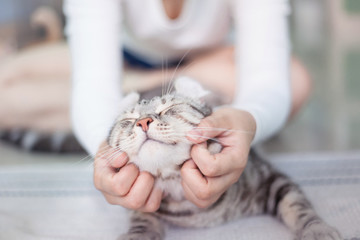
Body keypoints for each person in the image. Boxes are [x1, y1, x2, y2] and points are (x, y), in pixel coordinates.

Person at [64, 0, 311, 211]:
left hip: (214, 62)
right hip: (132, 61)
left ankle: (141, 85)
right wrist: (106, 148)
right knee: (29, 83)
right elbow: (94, 83)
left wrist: (245, 120)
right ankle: (150, 81)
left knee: (296, 80)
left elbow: (267, 80)